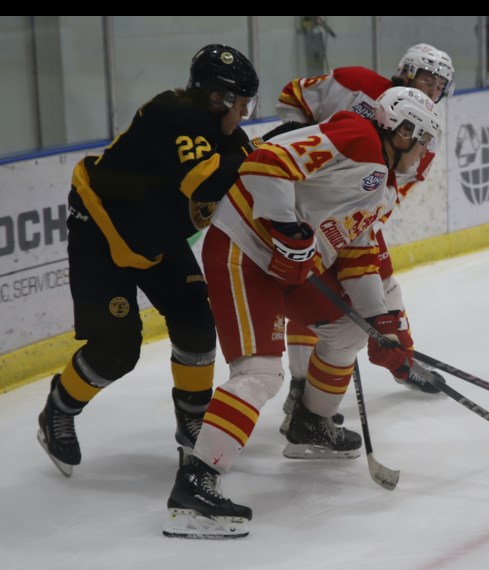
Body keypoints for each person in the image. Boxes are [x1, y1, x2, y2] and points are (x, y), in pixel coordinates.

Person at [162, 86, 443, 539]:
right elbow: (265, 162)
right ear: (403, 130)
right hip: (243, 250)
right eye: (424, 139)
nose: (425, 152)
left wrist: (381, 324)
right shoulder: (358, 136)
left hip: (289, 269)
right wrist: (287, 227)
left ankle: (310, 424)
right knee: (261, 373)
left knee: (346, 333)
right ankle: (194, 485)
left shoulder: (382, 189)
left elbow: (356, 255)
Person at [36, 44, 259, 478]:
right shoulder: (171, 113)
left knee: (196, 324)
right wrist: (255, 159)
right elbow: (207, 178)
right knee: (116, 349)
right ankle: (57, 411)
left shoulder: (226, 135)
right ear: (219, 98)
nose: (245, 114)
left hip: (154, 239)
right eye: (243, 104)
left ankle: (191, 419)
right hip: (100, 231)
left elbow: (245, 181)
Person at [271, 43, 455, 435]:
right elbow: (293, 96)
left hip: (352, 215)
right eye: (427, 77)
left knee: (384, 287)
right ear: (405, 72)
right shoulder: (354, 83)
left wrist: (357, 223)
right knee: (315, 295)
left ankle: (401, 356)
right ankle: (301, 386)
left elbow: (387, 194)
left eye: (441, 84)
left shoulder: (424, 132)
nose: (433, 88)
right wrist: (303, 146)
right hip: (304, 204)